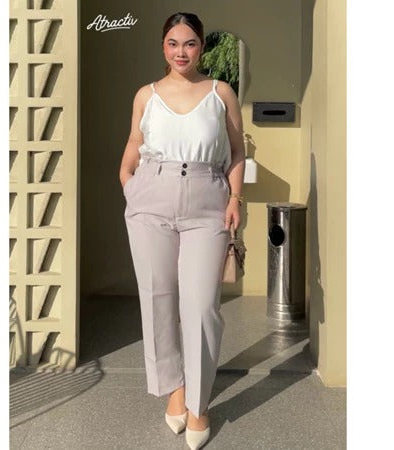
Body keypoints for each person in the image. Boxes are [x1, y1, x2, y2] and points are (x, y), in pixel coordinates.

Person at [119, 11, 245, 450]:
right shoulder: (147, 95)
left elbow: (236, 151)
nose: (181, 52)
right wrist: (129, 184)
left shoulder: (220, 93)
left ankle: (199, 403)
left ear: (201, 46)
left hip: (207, 203)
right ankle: (175, 388)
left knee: (201, 305)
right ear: (163, 46)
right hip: (151, 197)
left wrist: (235, 198)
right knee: (158, 297)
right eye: (173, 43)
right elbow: (134, 144)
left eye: (189, 43)